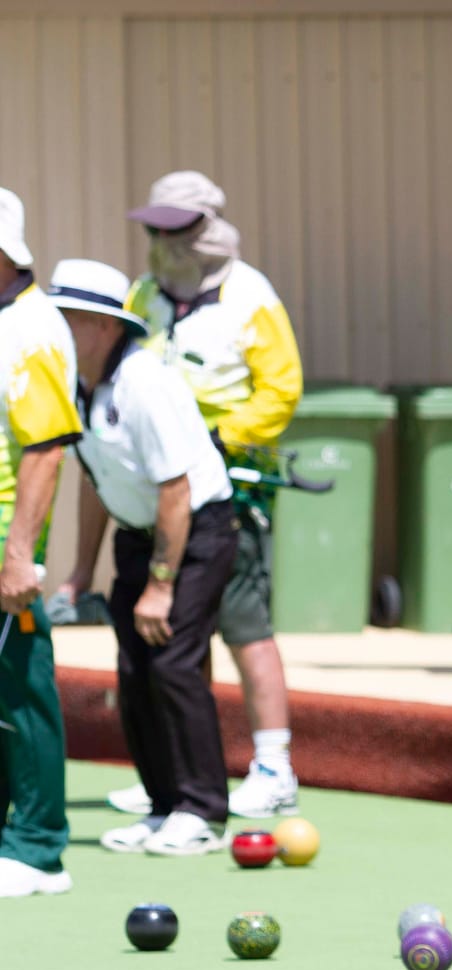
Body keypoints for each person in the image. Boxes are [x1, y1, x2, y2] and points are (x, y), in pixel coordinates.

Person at [106, 171, 304, 820]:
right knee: (176, 635)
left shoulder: (250, 295)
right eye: (153, 228)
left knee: (244, 624)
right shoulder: (143, 293)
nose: (161, 240)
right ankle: (171, 769)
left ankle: (273, 764)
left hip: (230, 484)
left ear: (208, 227)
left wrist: (219, 438)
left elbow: (281, 389)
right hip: (159, 486)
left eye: (175, 227)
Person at [47, 260, 236, 856]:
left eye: (69, 320)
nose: (58, 332)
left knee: (174, 664)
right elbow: (95, 481)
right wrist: (81, 569)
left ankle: (202, 811)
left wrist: (161, 585)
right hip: (139, 533)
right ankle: (163, 808)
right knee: (133, 672)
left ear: (103, 326)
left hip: (196, 532)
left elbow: (176, 489)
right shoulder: (77, 383)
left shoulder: (144, 383)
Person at [0, 188, 82, 899]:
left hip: (3, 541)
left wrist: (19, 554)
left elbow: (47, 448)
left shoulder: (30, 330)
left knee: (23, 688)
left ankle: (37, 848)